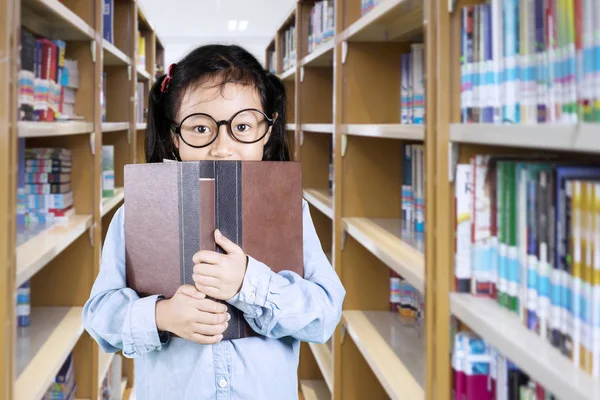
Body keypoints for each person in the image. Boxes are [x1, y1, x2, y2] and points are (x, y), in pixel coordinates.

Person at [82, 44, 345, 400]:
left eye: (242, 126)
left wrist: (248, 282)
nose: (222, 147)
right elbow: (99, 317)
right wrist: (161, 316)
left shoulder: (289, 211)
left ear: (267, 130)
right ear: (175, 135)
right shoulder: (138, 211)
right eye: (201, 128)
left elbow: (325, 315)